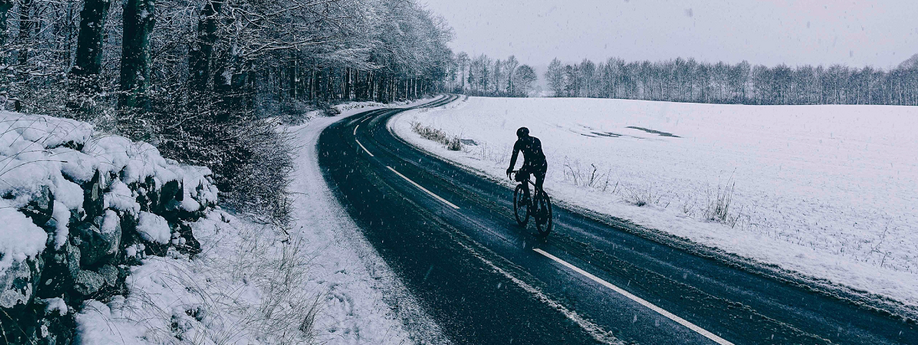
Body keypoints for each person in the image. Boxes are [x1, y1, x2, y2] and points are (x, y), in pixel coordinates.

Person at [506, 127, 547, 201]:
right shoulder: (536, 140)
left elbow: (514, 156)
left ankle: (526, 196)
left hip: (531, 164)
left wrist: (510, 168)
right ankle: (541, 203)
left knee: (521, 176)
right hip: (542, 164)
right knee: (539, 186)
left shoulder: (519, 143)